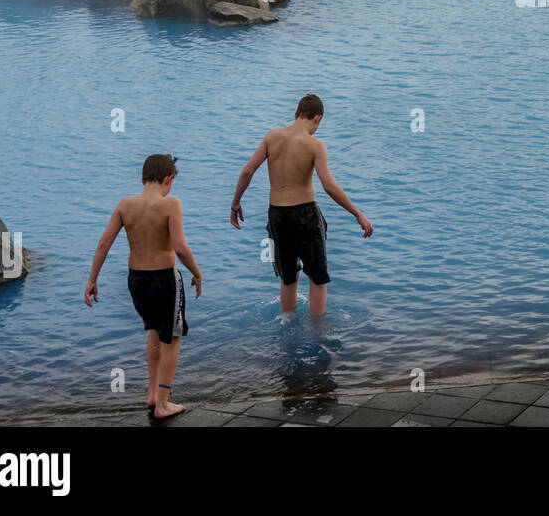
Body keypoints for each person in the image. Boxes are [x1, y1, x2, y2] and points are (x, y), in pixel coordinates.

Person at [84, 154, 203, 422]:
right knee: (172, 338)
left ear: (142, 179)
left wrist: (92, 279)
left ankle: (152, 393)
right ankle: (162, 403)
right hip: (165, 280)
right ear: (169, 179)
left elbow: (104, 243)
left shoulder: (125, 205)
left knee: (154, 330)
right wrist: (197, 273)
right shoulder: (171, 204)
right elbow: (181, 247)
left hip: (136, 281)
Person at [230, 94, 372, 318]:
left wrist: (235, 203)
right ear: (318, 118)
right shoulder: (315, 145)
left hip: (277, 214)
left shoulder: (272, 136)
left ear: (295, 114)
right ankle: (317, 332)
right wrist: (358, 214)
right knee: (317, 278)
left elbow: (247, 171)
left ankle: (287, 321)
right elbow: (329, 187)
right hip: (305, 214)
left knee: (288, 277)